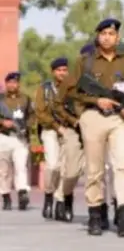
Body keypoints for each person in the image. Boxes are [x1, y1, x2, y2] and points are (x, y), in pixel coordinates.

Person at [57, 18, 124, 237]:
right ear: (98, 36)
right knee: (94, 170)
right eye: (103, 33)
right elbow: (67, 91)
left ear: (118, 37)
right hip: (92, 117)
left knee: (122, 166)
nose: (107, 37)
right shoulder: (85, 62)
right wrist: (95, 101)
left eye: (111, 34)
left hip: (119, 120)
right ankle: (95, 214)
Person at [50, 45, 90, 223]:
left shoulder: (104, 80)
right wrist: (73, 121)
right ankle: (64, 198)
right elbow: (57, 105)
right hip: (73, 129)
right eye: (85, 58)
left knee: (99, 171)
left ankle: (100, 211)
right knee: (72, 171)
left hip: (96, 129)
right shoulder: (71, 80)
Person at [34, 57, 70, 219]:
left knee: (66, 168)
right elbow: (40, 112)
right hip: (50, 130)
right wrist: (57, 127)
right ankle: (49, 195)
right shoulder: (44, 89)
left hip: (69, 130)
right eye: (59, 70)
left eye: (64, 70)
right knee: (53, 165)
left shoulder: (72, 88)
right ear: (53, 72)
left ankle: (60, 201)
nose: (62, 73)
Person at [0, 71, 32, 211]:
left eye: (16, 82)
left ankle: (22, 193)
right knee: (4, 170)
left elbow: (32, 115)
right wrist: (2, 122)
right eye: (10, 82)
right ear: (6, 84)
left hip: (19, 137)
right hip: (4, 136)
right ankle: (6, 196)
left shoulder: (25, 99)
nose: (13, 84)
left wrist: (27, 126)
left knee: (21, 166)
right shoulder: (0, 99)